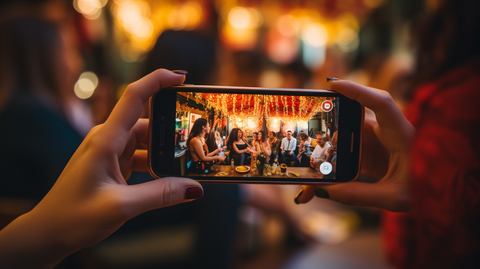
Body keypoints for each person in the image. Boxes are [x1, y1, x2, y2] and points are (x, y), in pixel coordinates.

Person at [0, 69, 207, 268]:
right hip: (88, 250)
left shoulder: (28, 111)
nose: (77, 63)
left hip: (68, 235)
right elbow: (68, 168)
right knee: (219, 190)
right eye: (70, 49)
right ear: (43, 52)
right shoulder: (32, 115)